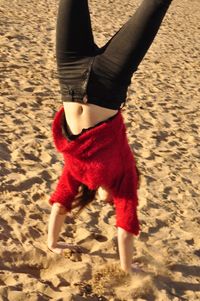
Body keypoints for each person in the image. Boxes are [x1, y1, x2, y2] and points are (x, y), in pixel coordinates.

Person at [47, 0, 173, 274]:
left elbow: (59, 204)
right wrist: (128, 270)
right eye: (112, 201)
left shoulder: (77, 173)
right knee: (155, 6)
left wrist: (52, 243)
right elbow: (125, 230)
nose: (109, 202)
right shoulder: (126, 179)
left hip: (69, 72)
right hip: (110, 80)